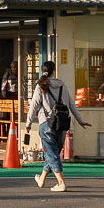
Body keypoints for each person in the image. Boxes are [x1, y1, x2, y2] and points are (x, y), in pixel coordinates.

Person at [25, 62, 90, 191]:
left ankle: (61, 183)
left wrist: (28, 123)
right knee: (53, 153)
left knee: (52, 153)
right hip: (62, 124)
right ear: (54, 71)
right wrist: (80, 121)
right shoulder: (62, 86)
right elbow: (71, 104)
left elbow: (34, 106)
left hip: (47, 124)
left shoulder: (41, 86)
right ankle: (42, 178)